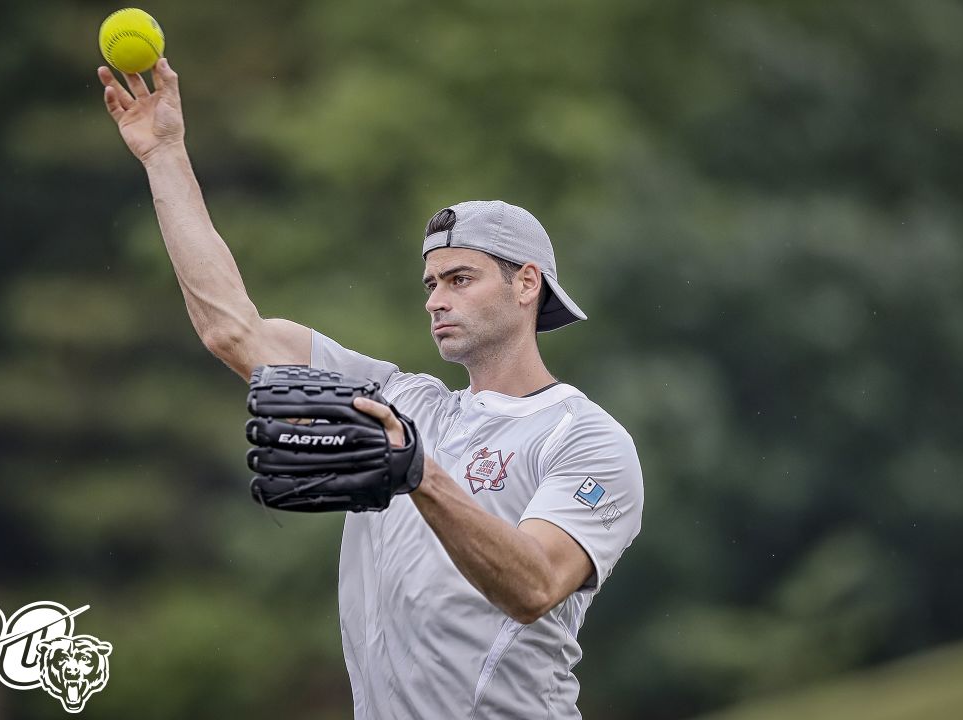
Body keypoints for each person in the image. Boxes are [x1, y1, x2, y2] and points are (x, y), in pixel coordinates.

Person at [98, 58, 644, 719]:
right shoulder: (398, 400)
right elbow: (232, 329)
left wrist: (420, 474)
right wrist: (164, 155)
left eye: (460, 279)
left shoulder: (584, 437)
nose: (436, 300)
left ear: (526, 284)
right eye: (430, 284)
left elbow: (534, 585)